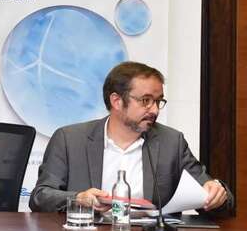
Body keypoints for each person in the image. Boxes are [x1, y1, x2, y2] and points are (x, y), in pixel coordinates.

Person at [29, 61, 233, 213]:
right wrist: (79, 198)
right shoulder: (69, 139)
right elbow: (40, 197)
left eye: (158, 101)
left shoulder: (171, 142)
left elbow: (214, 195)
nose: (154, 109)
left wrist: (217, 193)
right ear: (117, 101)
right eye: (146, 100)